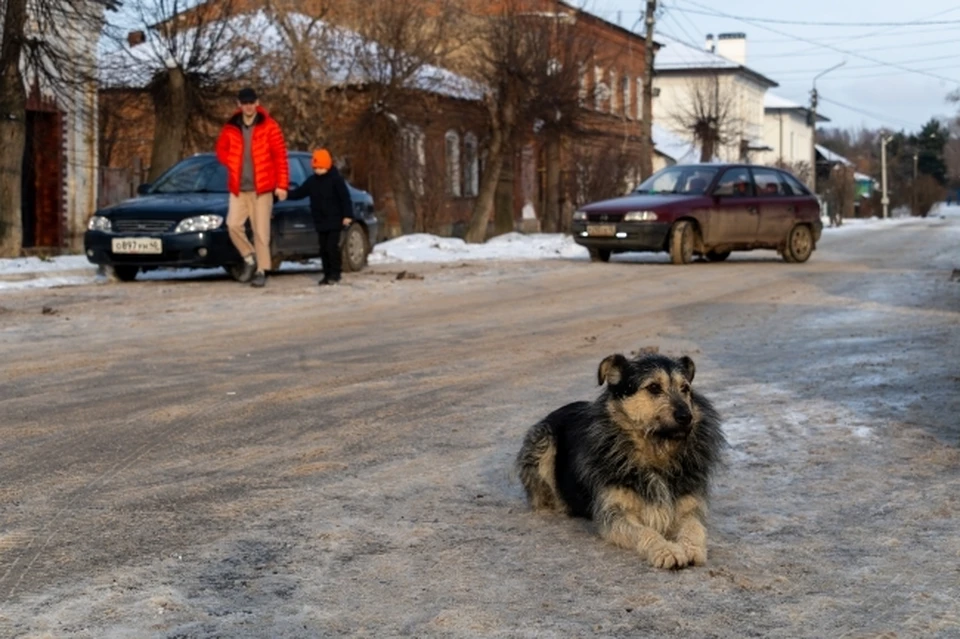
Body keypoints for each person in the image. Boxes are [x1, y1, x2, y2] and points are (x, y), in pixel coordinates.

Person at [215, 87, 289, 288]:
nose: (248, 106)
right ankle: (249, 256)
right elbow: (221, 149)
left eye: (251, 102)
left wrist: (281, 185)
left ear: (257, 103)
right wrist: (231, 161)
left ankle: (261, 270)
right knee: (232, 225)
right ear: (239, 104)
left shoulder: (270, 126)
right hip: (238, 189)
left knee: (260, 231)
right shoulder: (231, 127)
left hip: (262, 189)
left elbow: (280, 157)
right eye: (244, 102)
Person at [287, 148, 355, 286]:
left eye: (321, 168)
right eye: (315, 168)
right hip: (320, 220)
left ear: (327, 166)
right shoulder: (312, 181)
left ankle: (335, 274)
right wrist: (285, 194)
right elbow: (299, 193)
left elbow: (345, 198)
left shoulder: (336, 180)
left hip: (335, 220)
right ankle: (326, 274)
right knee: (323, 249)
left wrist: (347, 215)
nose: (318, 170)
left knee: (331, 247)